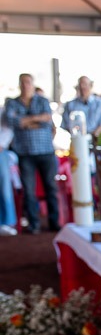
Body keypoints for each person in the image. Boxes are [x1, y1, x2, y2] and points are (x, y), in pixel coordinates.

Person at [3, 74, 60, 234]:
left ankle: (54, 222)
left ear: (33, 84)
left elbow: (47, 119)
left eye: (28, 82)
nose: (25, 85)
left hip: (46, 151)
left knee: (51, 187)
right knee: (29, 190)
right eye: (22, 82)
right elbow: (14, 122)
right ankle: (34, 224)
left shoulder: (42, 100)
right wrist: (36, 120)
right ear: (19, 84)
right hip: (25, 153)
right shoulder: (12, 103)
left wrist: (26, 121)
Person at [60, 76, 101, 140]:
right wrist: (76, 135)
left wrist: (92, 136)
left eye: (85, 84)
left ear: (90, 86)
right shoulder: (70, 104)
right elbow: (66, 124)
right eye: (80, 85)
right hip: (77, 141)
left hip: (96, 141)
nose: (83, 87)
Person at [0, 114, 18, 235]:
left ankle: (6, 222)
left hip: (1, 151)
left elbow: (8, 129)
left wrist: (1, 145)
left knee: (4, 188)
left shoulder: (2, 112)